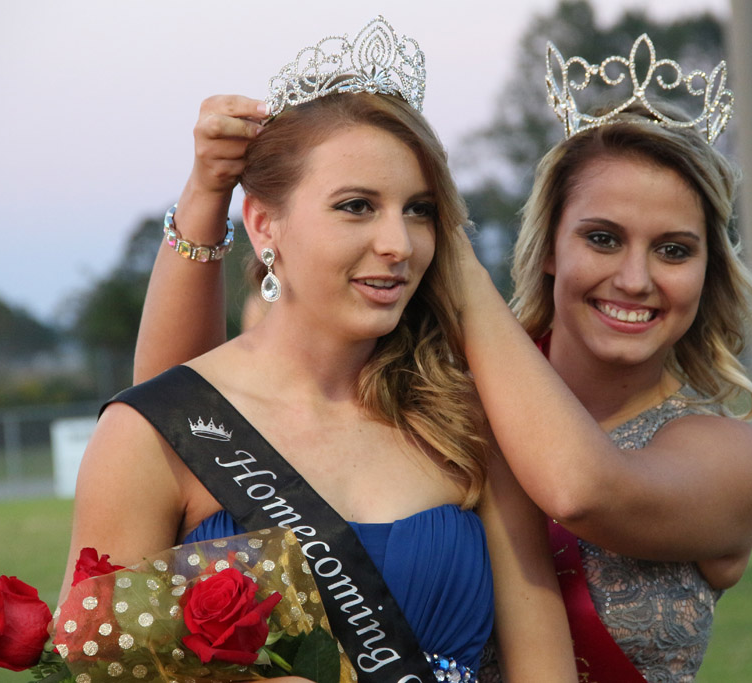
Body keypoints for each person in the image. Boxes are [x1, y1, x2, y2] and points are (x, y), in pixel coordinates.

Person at [135, 37, 752, 682]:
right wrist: (205, 198)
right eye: (602, 238)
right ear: (547, 245)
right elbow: (185, 421)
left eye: (674, 250)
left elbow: (580, 489)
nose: (635, 279)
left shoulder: (729, 458)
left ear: (710, 269)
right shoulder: (446, 395)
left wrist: (450, 256)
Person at [63, 18, 578, 683]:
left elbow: (543, 664)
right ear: (263, 223)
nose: (398, 243)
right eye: (357, 206)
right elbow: (96, 667)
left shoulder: (468, 419)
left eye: (419, 209)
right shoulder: (151, 434)